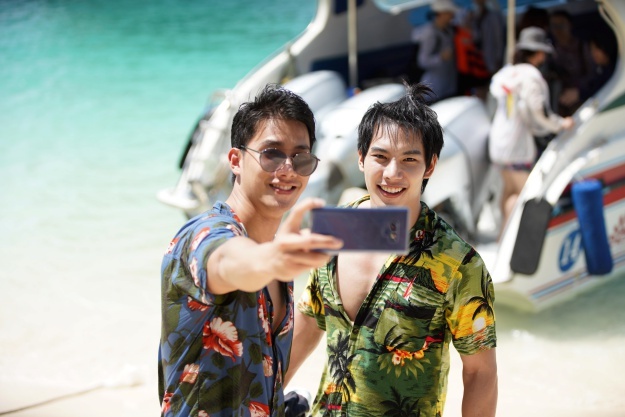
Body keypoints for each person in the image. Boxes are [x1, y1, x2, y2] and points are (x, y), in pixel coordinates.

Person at [286, 83, 498, 417]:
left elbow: (480, 373)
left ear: (430, 166)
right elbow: (309, 322)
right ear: (361, 159)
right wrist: (259, 402)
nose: (392, 174)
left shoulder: (458, 263)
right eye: (380, 157)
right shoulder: (338, 229)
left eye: (409, 160)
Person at [158, 84, 343, 417]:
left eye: (300, 158)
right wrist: (271, 259)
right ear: (236, 160)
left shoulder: (276, 254)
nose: (288, 169)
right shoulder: (203, 235)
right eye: (272, 154)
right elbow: (226, 261)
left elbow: (262, 369)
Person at [489, 27, 574, 232]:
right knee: (521, 196)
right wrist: (560, 124)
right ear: (538, 53)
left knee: (509, 191)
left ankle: (500, 237)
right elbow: (539, 111)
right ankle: (507, 240)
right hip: (516, 146)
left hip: (498, 142)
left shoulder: (508, 72)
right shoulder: (531, 76)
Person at [548, 10, 594, 116]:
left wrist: (579, 90)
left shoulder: (583, 47)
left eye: (561, 25)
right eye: (554, 26)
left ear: (570, 25)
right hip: (560, 99)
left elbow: (593, 75)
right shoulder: (551, 53)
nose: (558, 30)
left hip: (582, 96)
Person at [559, 27, 617, 111]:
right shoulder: (602, 69)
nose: (593, 53)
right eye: (592, 49)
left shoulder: (614, 70)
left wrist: (579, 94)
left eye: (596, 49)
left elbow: (604, 89)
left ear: (605, 47)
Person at [417, 0, 459, 102]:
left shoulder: (449, 30)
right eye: (449, 13)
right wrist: (441, 57)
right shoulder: (430, 33)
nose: (452, 16)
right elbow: (423, 61)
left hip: (448, 86)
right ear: (441, 14)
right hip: (434, 90)